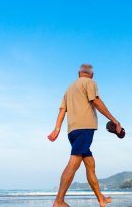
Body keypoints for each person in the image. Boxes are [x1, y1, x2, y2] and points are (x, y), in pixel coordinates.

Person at [48, 64, 123, 207]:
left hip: (72, 131)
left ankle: (101, 199)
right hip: (84, 129)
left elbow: (62, 110)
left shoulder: (69, 89)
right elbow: (96, 101)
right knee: (74, 162)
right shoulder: (90, 83)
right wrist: (114, 120)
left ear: (78, 73)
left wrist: (56, 129)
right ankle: (59, 201)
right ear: (92, 74)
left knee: (90, 164)